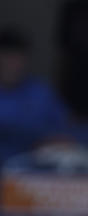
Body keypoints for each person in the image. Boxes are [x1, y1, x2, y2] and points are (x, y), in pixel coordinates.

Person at [0, 26, 69, 165]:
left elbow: (66, 131)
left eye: (18, 58)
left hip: (37, 172)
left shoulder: (41, 92)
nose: (13, 65)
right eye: (7, 57)